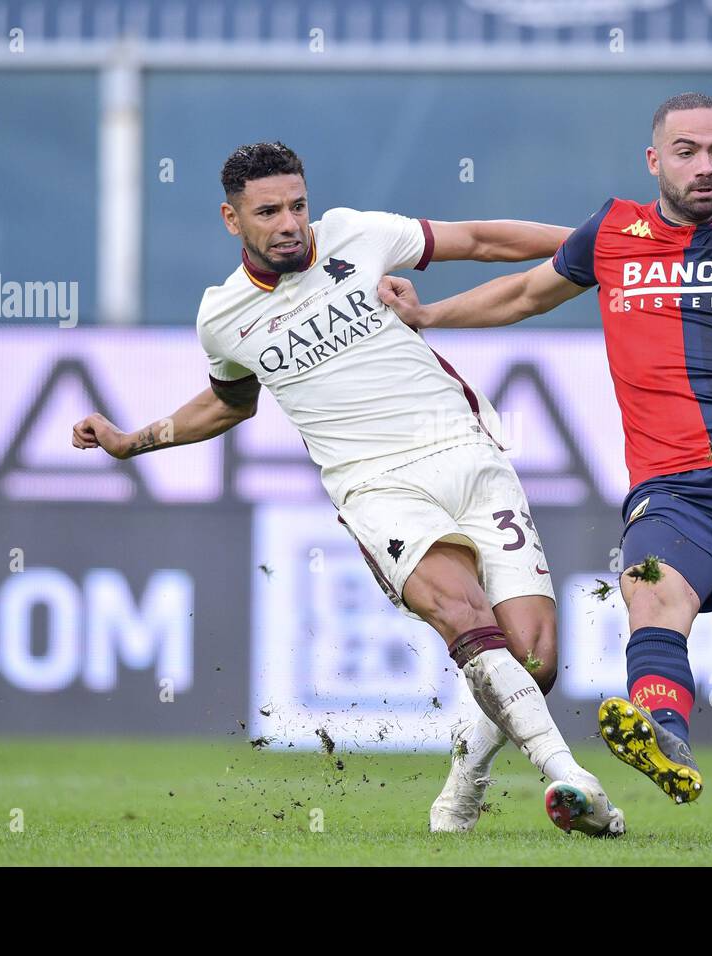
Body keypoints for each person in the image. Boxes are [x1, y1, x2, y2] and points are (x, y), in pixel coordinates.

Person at [377, 94, 712, 839]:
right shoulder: (611, 233)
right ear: (655, 161)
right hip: (676, 491)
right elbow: (523, 291)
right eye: (687, 152)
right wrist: (431, 315)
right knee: (651, 596)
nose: (706, 167)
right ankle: (663, 735)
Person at [71, 142, 623, 837]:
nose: (289, 223)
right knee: (463, 613)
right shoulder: (224, 317)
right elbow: (228, 404)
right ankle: (570, 777)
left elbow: (479, 240)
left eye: (297, 205)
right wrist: (133, 440)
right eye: (268, 211)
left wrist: (596, 245)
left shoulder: (358, 234)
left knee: (534, 658)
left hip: (469, 454)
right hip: (376, 486)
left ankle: (462, 791)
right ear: (231, 218)